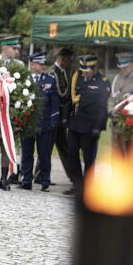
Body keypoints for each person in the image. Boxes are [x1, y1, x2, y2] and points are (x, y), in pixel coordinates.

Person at [65, 54, 110, 196]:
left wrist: (99, 126)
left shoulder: (102, 81)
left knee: (88, 158)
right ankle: (77, 183)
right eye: (83, 68)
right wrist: (65, 118)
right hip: (75, 123)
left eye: (88, 68)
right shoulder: (76, 77)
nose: (85, 71)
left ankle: (88, 187)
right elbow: (69, 99)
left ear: (95, 68)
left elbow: (103, 107)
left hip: (90, 126)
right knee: (71, 155)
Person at [0, 35, 25, 191]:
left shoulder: (19, 65)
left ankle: (4, 178)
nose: (17, 51)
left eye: (17, 48)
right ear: (4, 48)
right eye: (14, 48)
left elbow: (21, 88)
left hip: (9, 112)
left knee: (7, 143)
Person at [20, 52, 58, 192]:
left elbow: (54, 103)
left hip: (44, 123)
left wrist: (54, 120)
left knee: (44, 154)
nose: (43, 66)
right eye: (40, 64)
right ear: (32, 64)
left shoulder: (50, 80)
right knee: (27, 153)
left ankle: (45, 181)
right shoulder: (23, 80)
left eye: (43, 64)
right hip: (28, 124)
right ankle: (26, 180)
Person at [44, 47, 74, 185]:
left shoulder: (62, 72)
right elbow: (59, 95)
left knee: (62, 146)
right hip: (54, 115)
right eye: (68, 59)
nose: (70, 62)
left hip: (61, 117)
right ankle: (40, 175)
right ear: (62, 59)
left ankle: (73, 175)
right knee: (48, 146)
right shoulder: (53, 72)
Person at [109, 52, 133, 155]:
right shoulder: (118, 77)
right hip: (116, 123)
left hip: (132, 124)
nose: (122, 70)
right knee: (117, 155)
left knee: (131, 155)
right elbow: (112, 98)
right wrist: (110, 110)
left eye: (125, 67)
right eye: (121, 67)